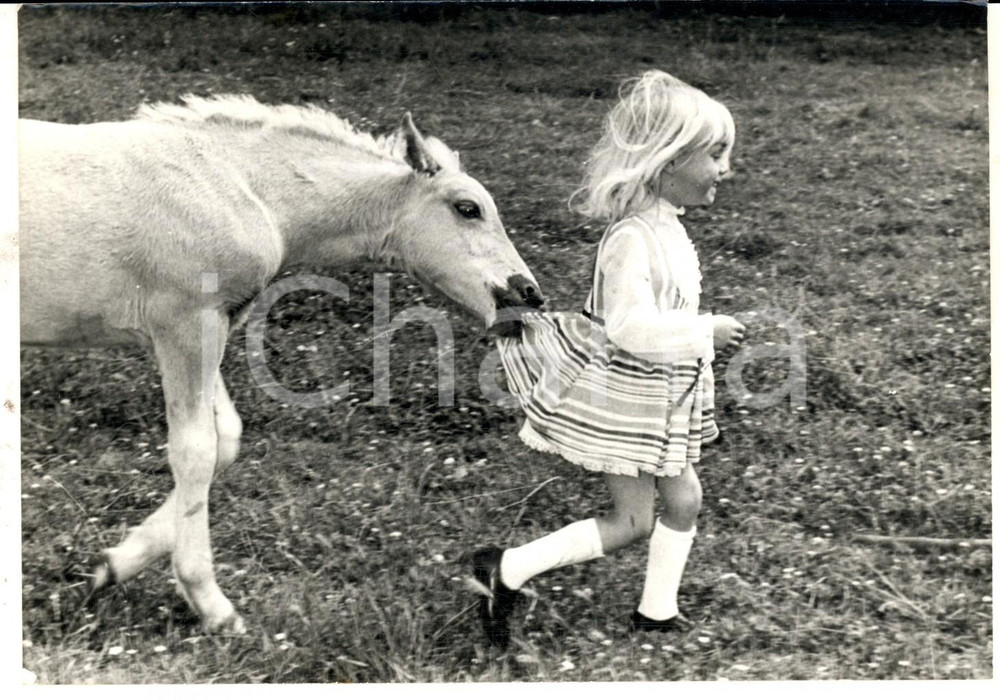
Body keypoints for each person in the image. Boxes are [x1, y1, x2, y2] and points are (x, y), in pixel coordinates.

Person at [473, 70, 747, 649]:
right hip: (624, 395)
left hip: (661, 394)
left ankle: (656, 611)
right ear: (668, 160)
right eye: (716, 154)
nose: (726, 168)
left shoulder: (668, 228)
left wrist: (693, 337)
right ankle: (506, 569)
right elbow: (629, 328)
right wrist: (704, 330)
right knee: (632, 522)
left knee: (685, 498)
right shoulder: (631, 239)